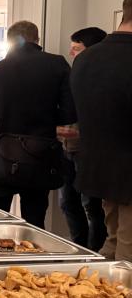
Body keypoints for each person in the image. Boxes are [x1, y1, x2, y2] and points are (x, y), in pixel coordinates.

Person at [0, 20, 76, 229]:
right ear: (37, 40)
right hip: (39, 155)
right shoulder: (57, 65)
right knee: (34, 221)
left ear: (9, 41)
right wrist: (45, 119)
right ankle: (32, 258)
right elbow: (70, 113)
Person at [71, 0, 132, 261]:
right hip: (127, 167)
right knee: (127, 250)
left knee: (113, 241)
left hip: (99, 165)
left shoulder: (85, 58)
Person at [58, 27, 107, 251]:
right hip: (66, 150)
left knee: (92, 206)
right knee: (67, 202)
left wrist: (81, 132)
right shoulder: (70, 75)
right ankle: (79, 248)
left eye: (76, 49)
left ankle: (94, 252)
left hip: (91, 154)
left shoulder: (103, 78)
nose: (71, 54)